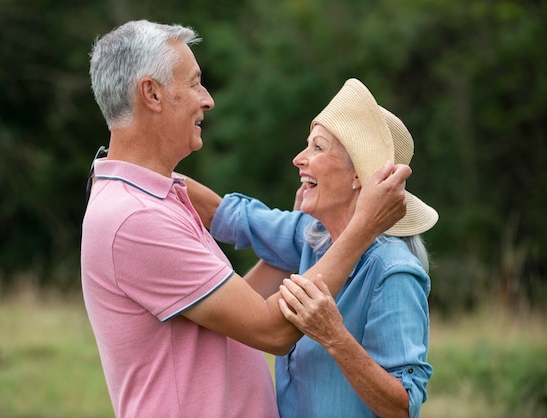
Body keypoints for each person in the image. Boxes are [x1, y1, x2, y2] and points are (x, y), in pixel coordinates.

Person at [81, 20, 411, 418]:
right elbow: (271, 330)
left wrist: (299, 235)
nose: (207, 100)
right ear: (151, 93)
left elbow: (241, 309)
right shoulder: (136, 218)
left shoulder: (155, 198)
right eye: (194, 83)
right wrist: (363, 227)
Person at [187, 78, 438, 418]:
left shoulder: (393, 272)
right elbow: (224, 214)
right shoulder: (312, 235)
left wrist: (335, 337)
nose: (299, 159)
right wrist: (128, 166)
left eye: (317, 148)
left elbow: (402, 407)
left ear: (358, 177)